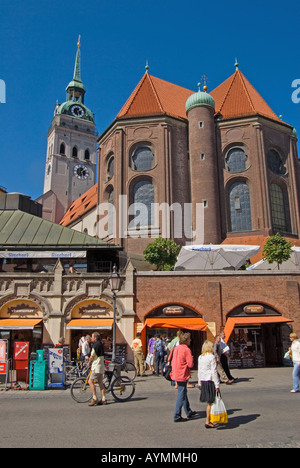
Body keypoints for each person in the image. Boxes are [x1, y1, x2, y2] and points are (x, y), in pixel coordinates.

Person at [169, 332, 196, 422]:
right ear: (186, 340)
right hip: (182, 373)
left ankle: (188, 411)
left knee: (183, 391)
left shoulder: (176, 348)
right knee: (181, 393)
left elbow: (170, 358)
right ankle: (177, 415)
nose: (190, 340)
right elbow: (190, 364)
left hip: (175, 372)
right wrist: (191, 358)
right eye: (189, 339)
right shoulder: (186, 350)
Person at [198, 340, 220, 428]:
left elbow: (199, 370)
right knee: (211, 401)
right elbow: (214, 371)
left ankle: (210, 419)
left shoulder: (200, 357)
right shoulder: (211, 357)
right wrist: (217, 384)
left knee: (209, 401)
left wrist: (199, 382)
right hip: (210, 380)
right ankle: (208, 420)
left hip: (203, 380)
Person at [87, 332, 107, 406]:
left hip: (96, 366)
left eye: (92, 337)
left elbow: (92, 356)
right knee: (100, 382)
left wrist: (89, 362)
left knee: (90, 381)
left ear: (95, 338)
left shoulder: (95, 345)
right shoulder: (101, 344)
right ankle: (104, 398)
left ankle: (94, 398)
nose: (91, 338)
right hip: (101, 366)